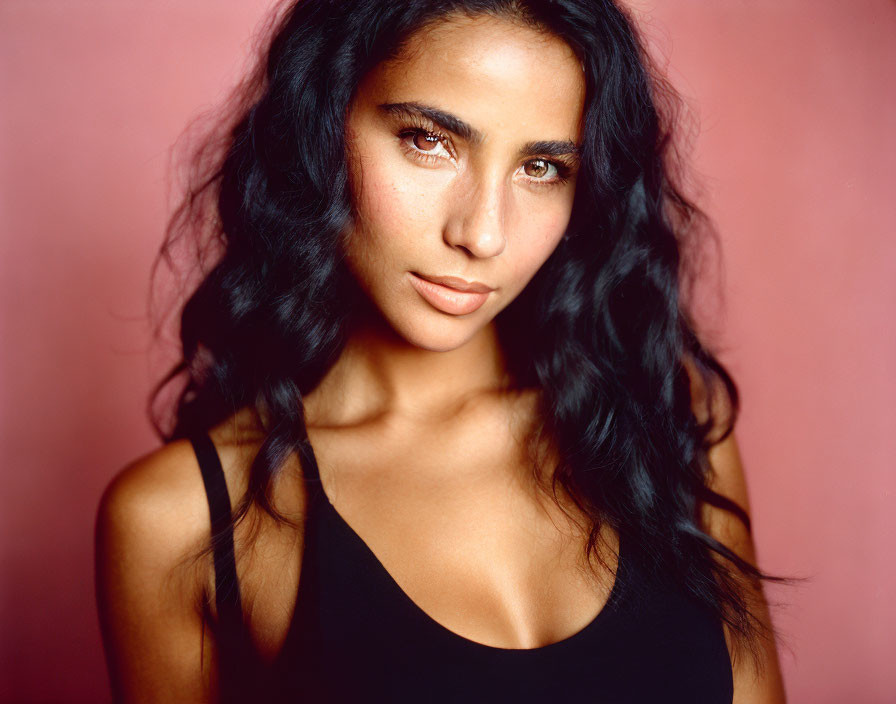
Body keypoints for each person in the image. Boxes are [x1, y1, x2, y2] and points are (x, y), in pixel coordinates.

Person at [94, 0, 789, 701]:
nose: (482, 234)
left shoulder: (667, 418)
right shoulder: (180, 521)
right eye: (429, 141)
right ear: (319, 126)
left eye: (543, 167)